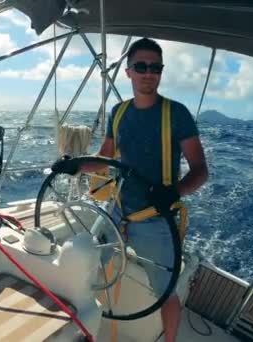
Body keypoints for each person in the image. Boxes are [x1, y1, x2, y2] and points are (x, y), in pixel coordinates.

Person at [53, 37, 208, 342]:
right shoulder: (119, 112)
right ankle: (76, 328)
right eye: (141, 66)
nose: (148, 72)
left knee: (166, 293)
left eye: (155, 67)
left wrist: (175, 192)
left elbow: (201, 170)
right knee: (80, 258)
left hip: (155, 219)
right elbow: (104, 158)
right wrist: (74, 164)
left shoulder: (177, 114)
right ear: (129, 72)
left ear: (161, 72)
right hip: (117, 211)